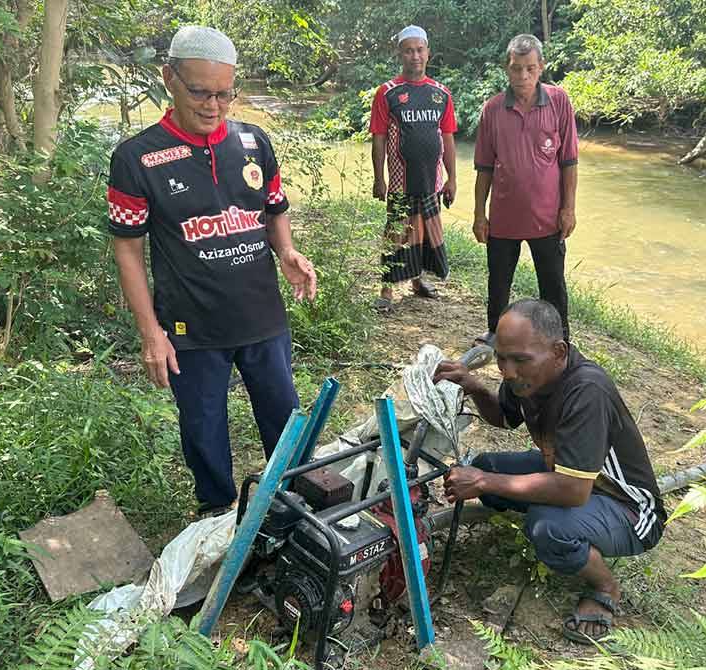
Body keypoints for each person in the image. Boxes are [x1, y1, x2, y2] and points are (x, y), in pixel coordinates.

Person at [106, 26, 317, 517]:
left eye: (224, 93)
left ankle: (289, 502)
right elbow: (129, 252)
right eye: (200, 91)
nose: (213, 105)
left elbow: (273, 207)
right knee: (202, 426)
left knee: (284, 416)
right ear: (169, 79)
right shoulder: (137, 158)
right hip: (190, 326)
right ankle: (216, 511)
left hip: (262, 315)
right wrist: (150, 332)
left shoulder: (253, 142)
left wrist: (286, 252)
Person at [434, 299, 665, 643]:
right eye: (501, 358)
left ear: (558, 352)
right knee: (485, 466)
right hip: (565, 472)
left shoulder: (586, 390)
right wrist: (476, 386)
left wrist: (483, 482)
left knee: (547, 526)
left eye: (520, 360)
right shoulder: (529, 376)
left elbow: (573, 490)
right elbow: (505, 417)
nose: (508, 371)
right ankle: (559, 523)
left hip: (627, 507)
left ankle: (605, 587)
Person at [473, 34, 578, 343]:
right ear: (507, 68)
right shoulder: (491, 110)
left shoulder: (559, 101)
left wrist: (568, 209)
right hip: (503, 218)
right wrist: (480, 215)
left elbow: (569, 162)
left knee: (553, 284)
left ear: (541, 67)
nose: (523, 76)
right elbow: (484, 169)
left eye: (530, 68)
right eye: (517, 68)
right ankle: (496, 334)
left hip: (547, 218)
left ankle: (559, 340)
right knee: (499, 283)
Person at [369, 24, 458, 311]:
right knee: (396, 231)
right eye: (409, 50)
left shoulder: (441, 93)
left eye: (420, 50)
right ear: (400, 54)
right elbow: (379, 138)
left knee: (423, 231)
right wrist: (378, 178)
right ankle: (386, 289)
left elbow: (447, 138)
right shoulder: (387, 93)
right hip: (398, 182)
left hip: (431, 181)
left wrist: (452, 178)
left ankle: (418, 281)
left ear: (428, 53)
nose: (415, 56)